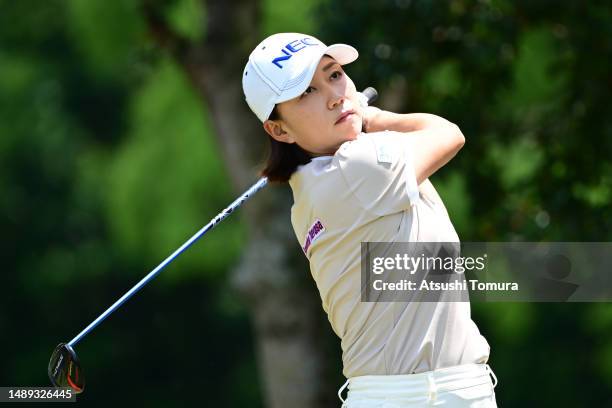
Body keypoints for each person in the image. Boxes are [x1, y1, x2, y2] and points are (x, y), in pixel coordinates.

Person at [242, 32, 498, 407]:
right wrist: (374, 116)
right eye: (306, 93)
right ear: (279, 129)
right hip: (416, 397)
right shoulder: (356, 167)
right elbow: (448, 133)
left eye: (333, 75)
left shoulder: (315, 184)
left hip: (446, 390)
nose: (334, 96)